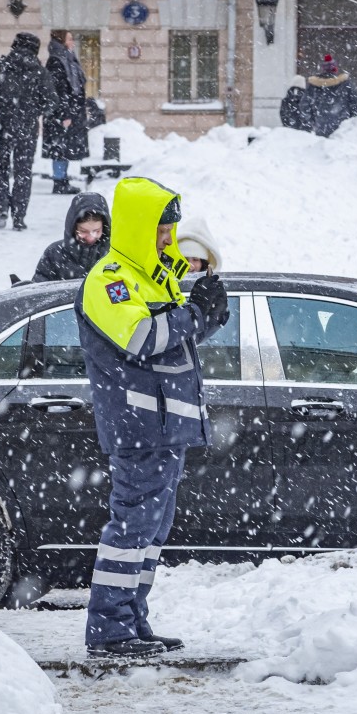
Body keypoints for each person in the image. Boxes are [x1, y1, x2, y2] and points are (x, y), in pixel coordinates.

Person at [75, 177, 230, 659]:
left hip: (164, 426)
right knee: (131, 529)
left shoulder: (150, 277)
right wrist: (194, 315)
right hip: (139, 426)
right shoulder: (110, 280)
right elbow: (142, 339)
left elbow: (172, 346)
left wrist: (206, 315)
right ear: (141, 228)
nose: (169, 239)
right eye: (163, 230)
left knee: (150, 530)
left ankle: (132, 618)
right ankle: (108, 627)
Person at [0, 32, 56, 231]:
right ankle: (19, 216)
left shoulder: (0, 65)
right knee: (23, 171)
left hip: (1, 125)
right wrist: (33, 111)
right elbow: (51, 101)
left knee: (0, 168)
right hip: (27, 127)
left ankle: (2, 206)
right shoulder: (39, 71)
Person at [43, 30, 90, 195]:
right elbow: (59, 91)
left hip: (69, 110)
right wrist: (65, 114)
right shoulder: (57, 61)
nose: (73, 42)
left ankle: (63, 180)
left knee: (64, 147)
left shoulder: (67, 59)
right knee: (60, 147)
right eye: (70, 39)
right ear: (62, 41)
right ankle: (59, 182)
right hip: (62, 113)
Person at [33, 192, 111, 281]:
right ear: (73, 228)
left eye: (97, 231)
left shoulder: (115, 253)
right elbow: (39, 286)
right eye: (83, 231)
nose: (91, 237)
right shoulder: (54, 253)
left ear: (105, 228)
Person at [304, 54, 357, 138]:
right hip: (342, 131)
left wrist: (312, 122)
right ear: (335, 69)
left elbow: (304, 107)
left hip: (320, 130)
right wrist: (351, 123)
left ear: (322, 69)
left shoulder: (313, 86)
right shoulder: (345, 84)